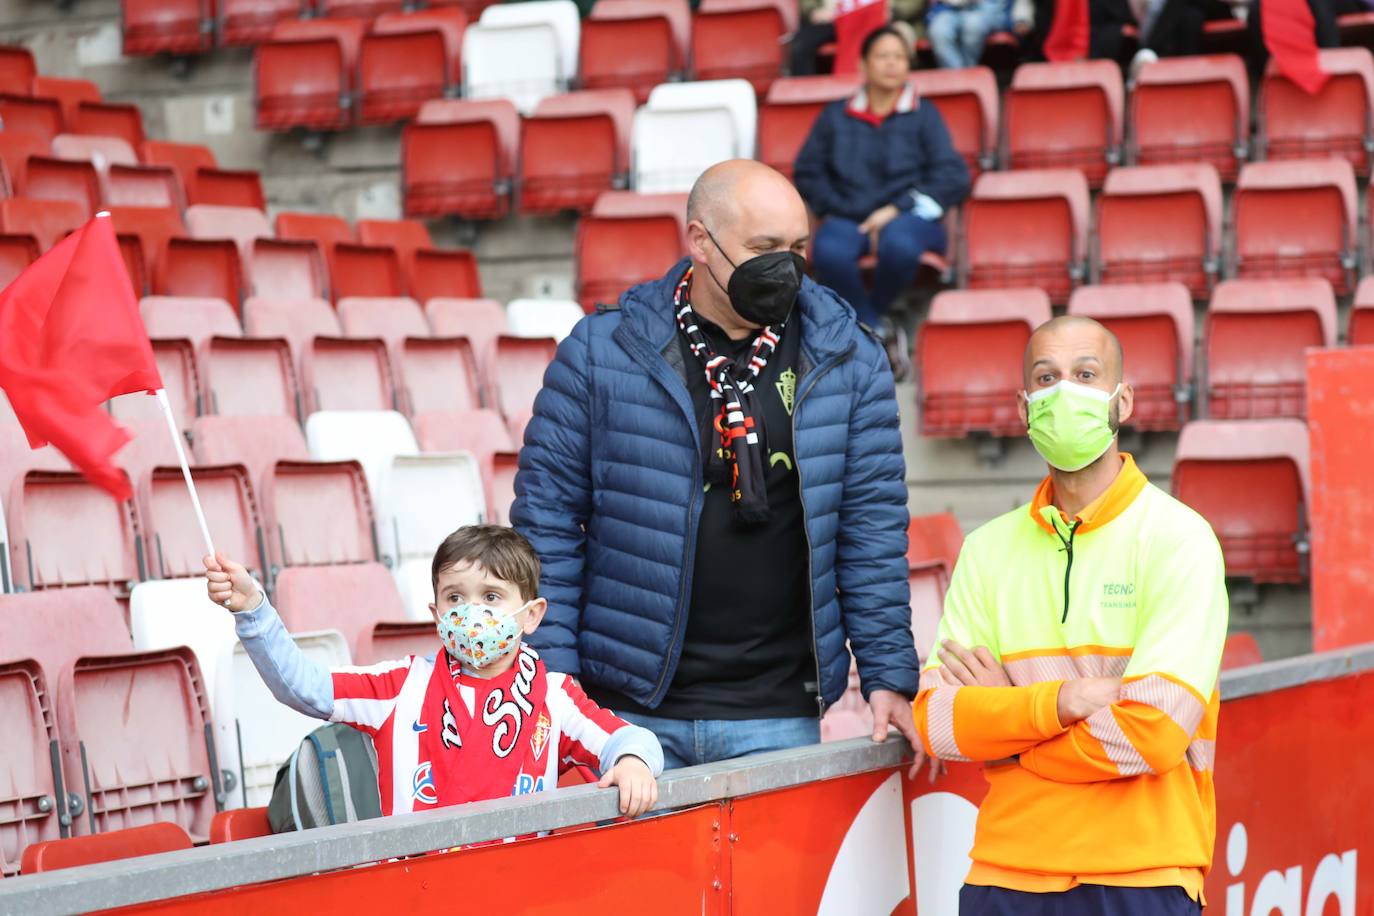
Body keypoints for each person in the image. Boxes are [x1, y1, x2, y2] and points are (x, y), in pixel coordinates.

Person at [511, 159, 925, 773]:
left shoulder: (848, 355)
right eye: (763, 248)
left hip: (777, 712)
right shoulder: (599, 353)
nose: (785, 267)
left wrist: (888, 674)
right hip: (626, 716)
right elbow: (546, 528)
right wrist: (556, 691)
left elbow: (871, 529)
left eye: (797, 248)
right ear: (700, 242)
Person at [911, 316, 1228, 915]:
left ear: (1122, 400)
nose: (1065, 392)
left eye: (1086, 375)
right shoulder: (985, 550)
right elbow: (941, 723)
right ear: (1025, 406)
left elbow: (1154, 735)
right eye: (1047, 377)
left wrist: (1013, 739)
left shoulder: (1180, 539)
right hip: (1004, 875)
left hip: (1143, 875)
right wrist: (1067, 700)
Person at [203, 525, 664, 818]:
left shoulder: (556, 696)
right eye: (456, 598)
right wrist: (254, 611)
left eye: (491, 597)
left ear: (531, 614)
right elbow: (304, 688)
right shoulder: (401, 685)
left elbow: (629, 739)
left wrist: (634, 764)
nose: (472, 612)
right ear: (436, 611)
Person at [794, 26, 970, 376]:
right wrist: (841, 208)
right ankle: (880, 327)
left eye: (900, 57)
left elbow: (953, 175)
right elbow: (808, 172)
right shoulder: (836, 116)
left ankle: (866, 321)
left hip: (910, 217)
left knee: (900, 245)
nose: (892, 65)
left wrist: (897, 209)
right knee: (829, 250)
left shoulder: (924, 115)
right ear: (864, 63)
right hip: (849, 216)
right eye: (883, 56)